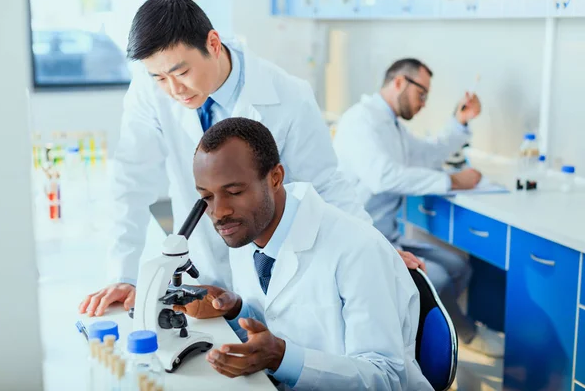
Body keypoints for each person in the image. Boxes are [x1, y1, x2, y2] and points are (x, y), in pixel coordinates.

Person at [78, 0, 372, 317]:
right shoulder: (149, 94)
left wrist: (374, 248)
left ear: (214, 44)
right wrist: (123, 274)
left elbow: (326, 184)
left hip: (276, 276)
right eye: (160, 78)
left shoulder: (288, 95)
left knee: (269, 356)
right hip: (202, 272)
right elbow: (131, 180)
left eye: (182, 72)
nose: (174, 89)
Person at [175, 117, 433, 390]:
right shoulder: (243, 233)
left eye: (234, 191)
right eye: (206, 197)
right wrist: (235, 310)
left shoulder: (358, 249)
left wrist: (280, 357)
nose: (219, 212)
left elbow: (387, 377)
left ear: (275, 178)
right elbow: (279, 320)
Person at [332, 58, 503, 358]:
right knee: (435, 277)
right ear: (399, 82)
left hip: (387, 236)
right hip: (363, 243)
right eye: (422, 94)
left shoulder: (391, 125)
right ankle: (460, 337)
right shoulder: (361, 121)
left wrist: (460, 122)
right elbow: (384, 176)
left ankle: (441, 336)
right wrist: (453, 180)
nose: (423, 103)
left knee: (458, 266)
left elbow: (427, 153)